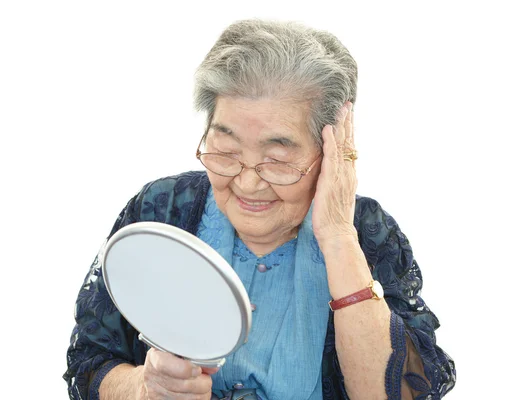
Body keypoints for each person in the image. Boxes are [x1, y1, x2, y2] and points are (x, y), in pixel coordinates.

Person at [64, 19, 456, 400]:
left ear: (331, 152)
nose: (247, 183)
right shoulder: (164, 208)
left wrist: (337, 236)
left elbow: (404, 394)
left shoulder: (366, 232)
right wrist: (142, 390)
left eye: (278, 159)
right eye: (227, 150)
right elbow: (91, 360)